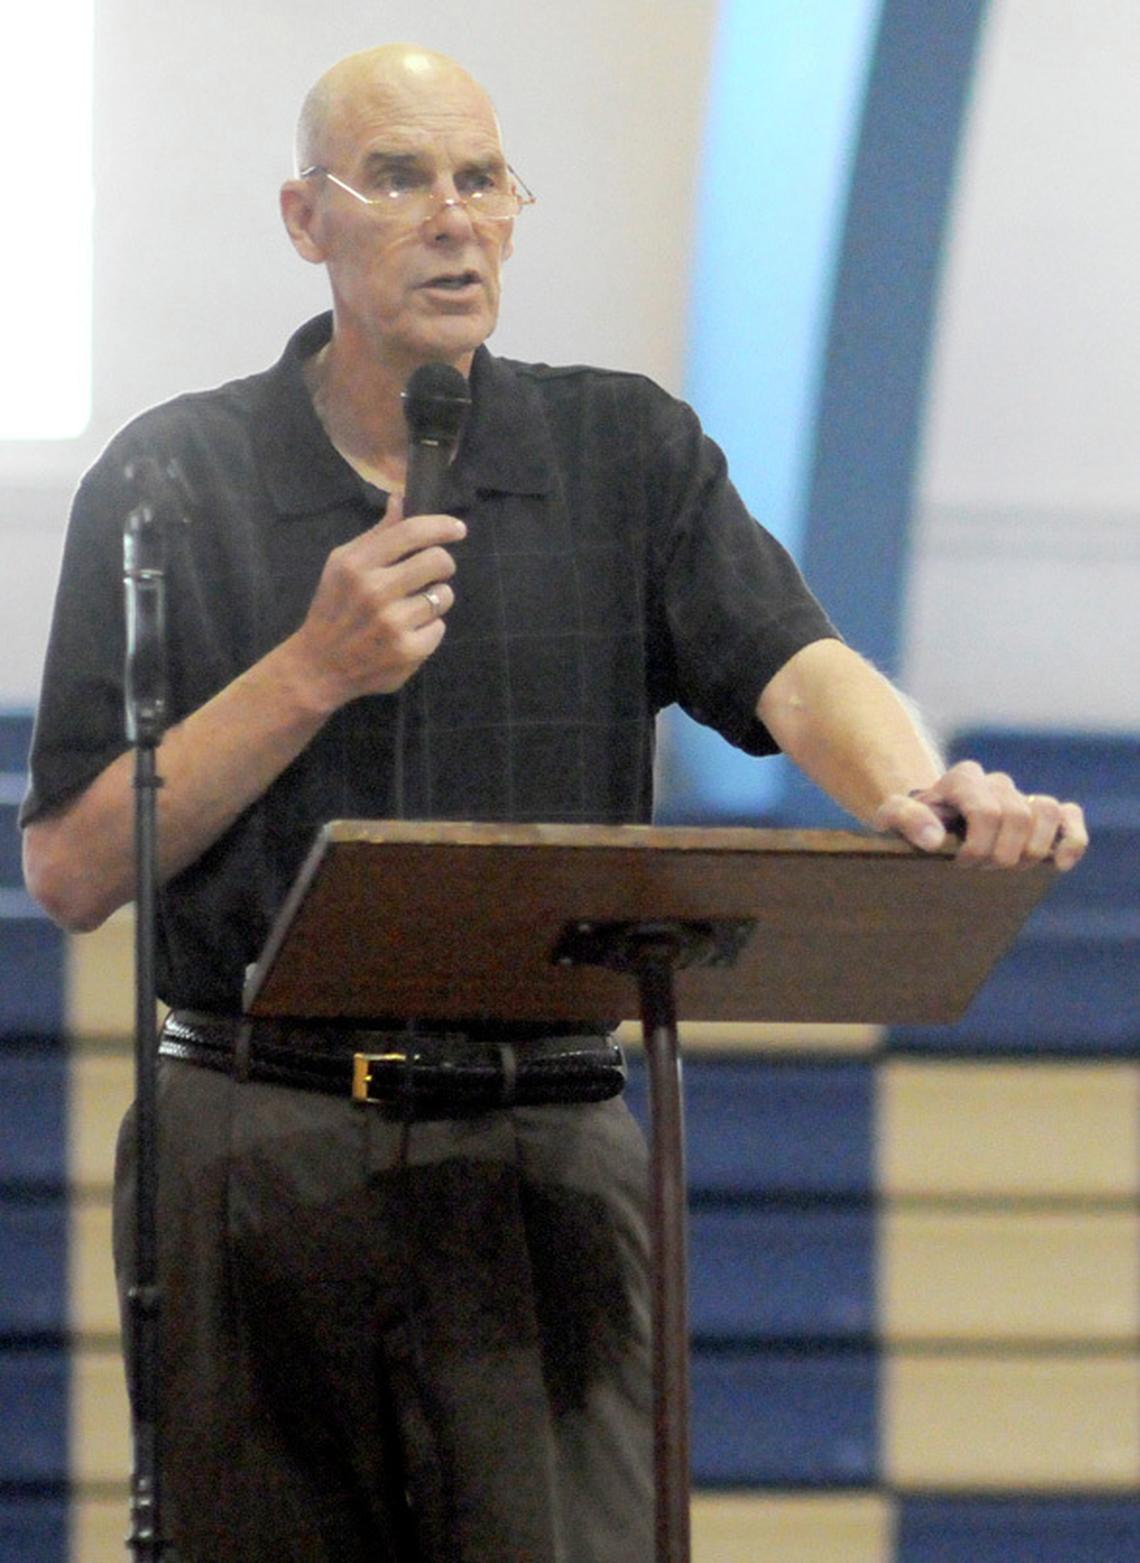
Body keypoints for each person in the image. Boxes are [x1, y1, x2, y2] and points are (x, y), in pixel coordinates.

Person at [21, 43, 1088, 1563]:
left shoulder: (623, 451)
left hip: (547, 1155)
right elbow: (68, 869)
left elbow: (797, 666)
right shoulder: (168, 479)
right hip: (253, 1148)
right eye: (397, 177)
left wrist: (919, 792)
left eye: (482, 178)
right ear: (301, 218)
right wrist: (310, 669)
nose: (453, 217)